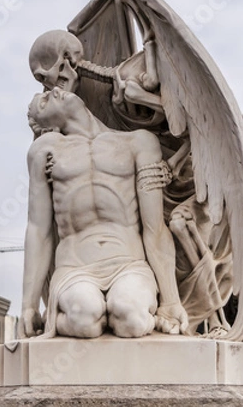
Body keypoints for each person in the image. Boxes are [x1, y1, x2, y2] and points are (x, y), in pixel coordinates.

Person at [19, 87, 188, 339]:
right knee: (82, 317)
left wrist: (171, 301)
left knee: (131, 317)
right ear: (48, 127)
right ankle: (62, 318)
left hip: (128, 264)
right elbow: (38, 230)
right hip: (75, 268)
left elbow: (155, 228)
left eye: (49, 91)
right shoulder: (45, 152)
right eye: (43, 103)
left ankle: (130, 314)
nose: (52, 92)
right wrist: (29, 305)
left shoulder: (139, 142)